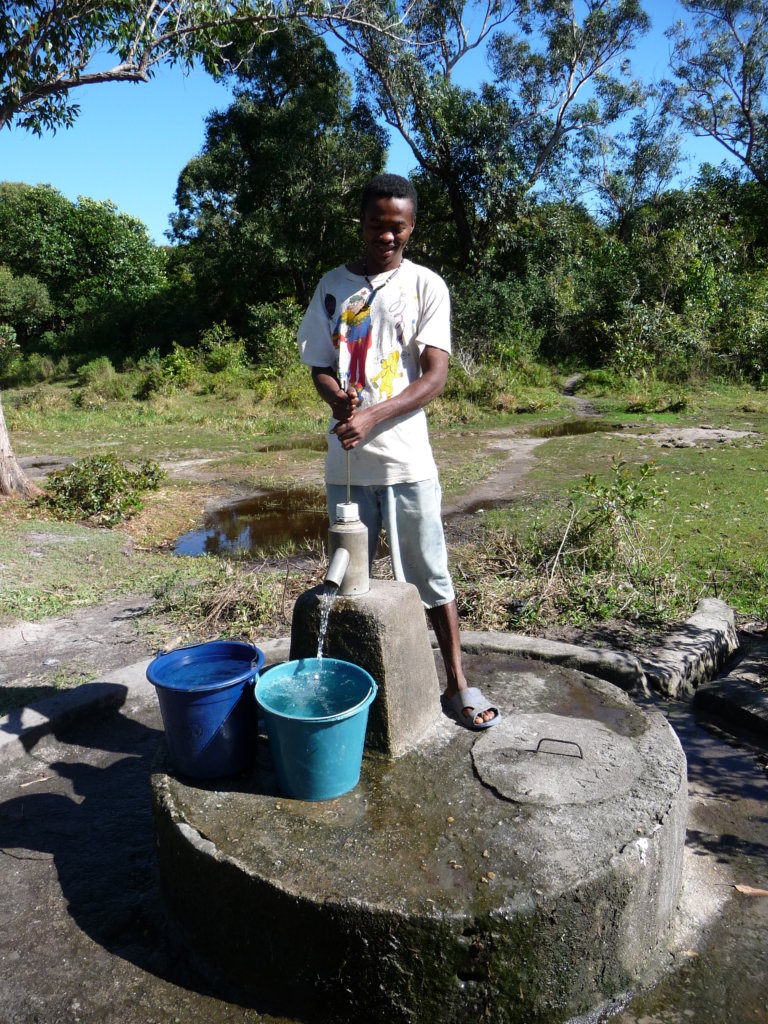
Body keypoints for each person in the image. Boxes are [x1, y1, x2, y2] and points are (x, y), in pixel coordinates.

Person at [297, 173, 499, 730]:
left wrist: (371, 415)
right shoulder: (333, 286)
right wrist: (338, 401)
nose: (386, 236)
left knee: (430, 575)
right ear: (361, 223)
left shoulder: (426, 286)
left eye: (397, 227)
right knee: (349, 581)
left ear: (411, 227)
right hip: (347, 463)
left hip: (407, 460)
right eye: (376, 224)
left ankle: (456, 683)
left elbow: (434, 378)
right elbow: (319, 364)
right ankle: (356, 692)